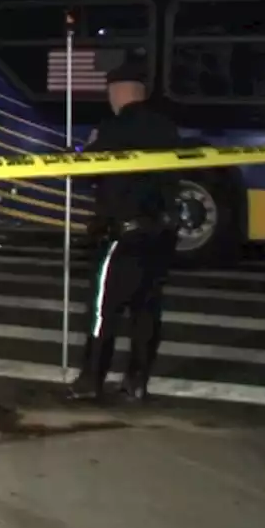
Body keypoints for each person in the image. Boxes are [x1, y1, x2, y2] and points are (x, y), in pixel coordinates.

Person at [67, 61, 181, 403]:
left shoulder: (113, 129)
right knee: (147, 311)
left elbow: (85, 172)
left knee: (104, 311)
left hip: (123, 237)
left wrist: (87, 147)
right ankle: (137, 381)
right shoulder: (167, 128)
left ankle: (92, 380)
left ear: (118, 91)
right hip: (159, 235)